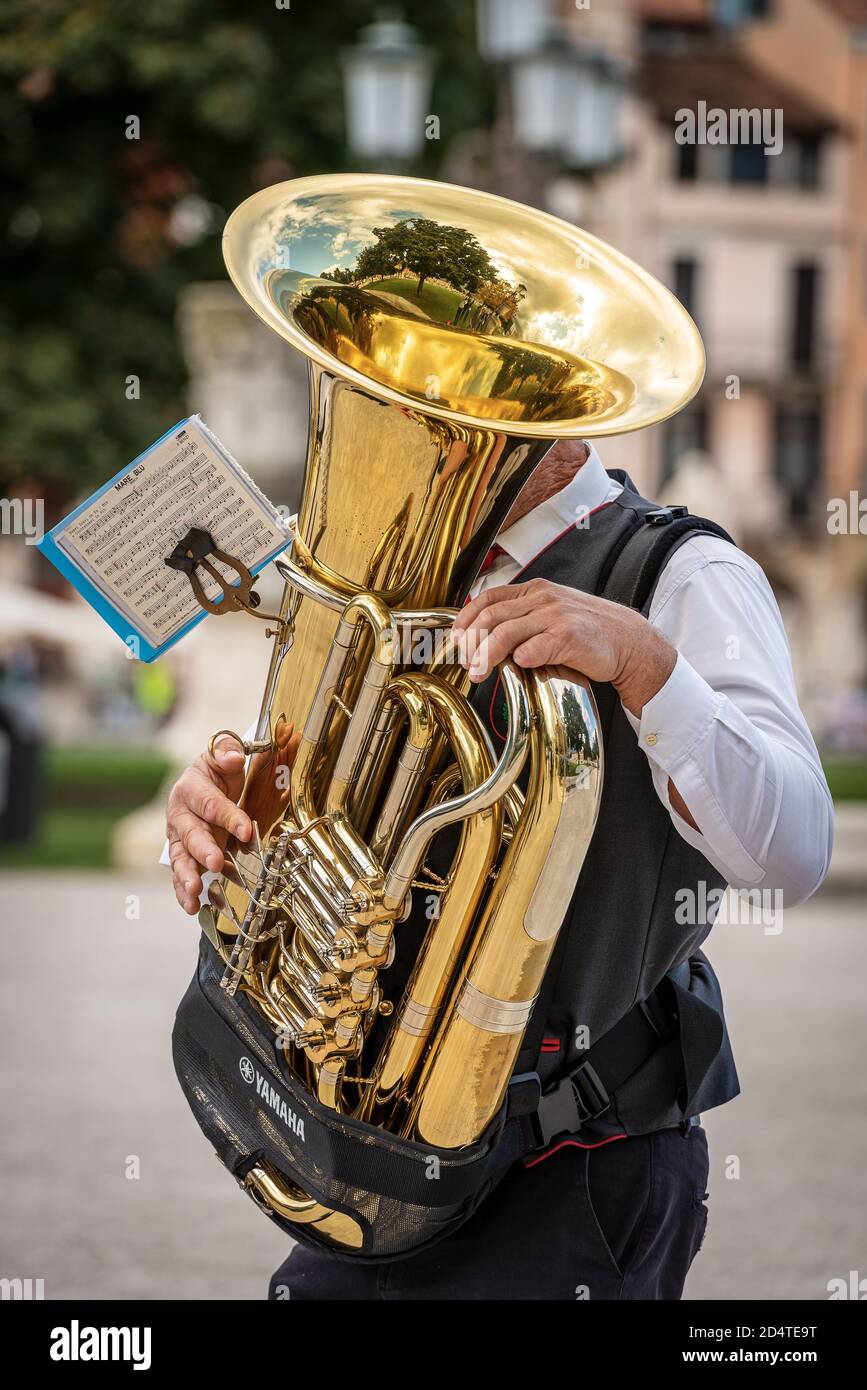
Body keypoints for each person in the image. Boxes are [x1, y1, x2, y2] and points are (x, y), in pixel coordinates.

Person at [165, 440, 833, 1300]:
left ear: (570, 409)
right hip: (369, 1149)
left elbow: (796, 854)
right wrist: (230, 806)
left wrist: (642, 662)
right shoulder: (405, 567)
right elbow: (321, 809)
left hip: (572, 1167)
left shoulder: (688, 570)